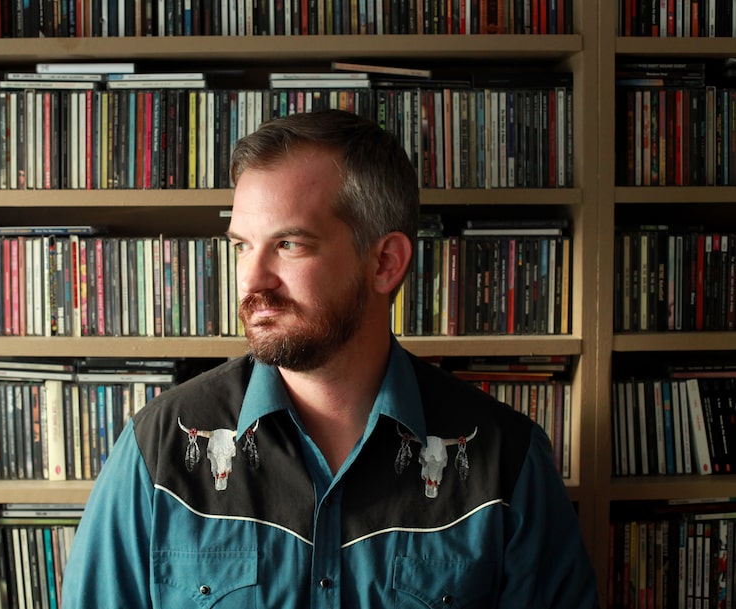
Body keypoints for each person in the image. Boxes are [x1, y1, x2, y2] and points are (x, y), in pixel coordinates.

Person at [62, 109, 599, 608]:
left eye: (289, 244)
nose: (252, 281)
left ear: (386, 262)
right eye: (241, 246)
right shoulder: (158, 454)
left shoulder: (505, 462)